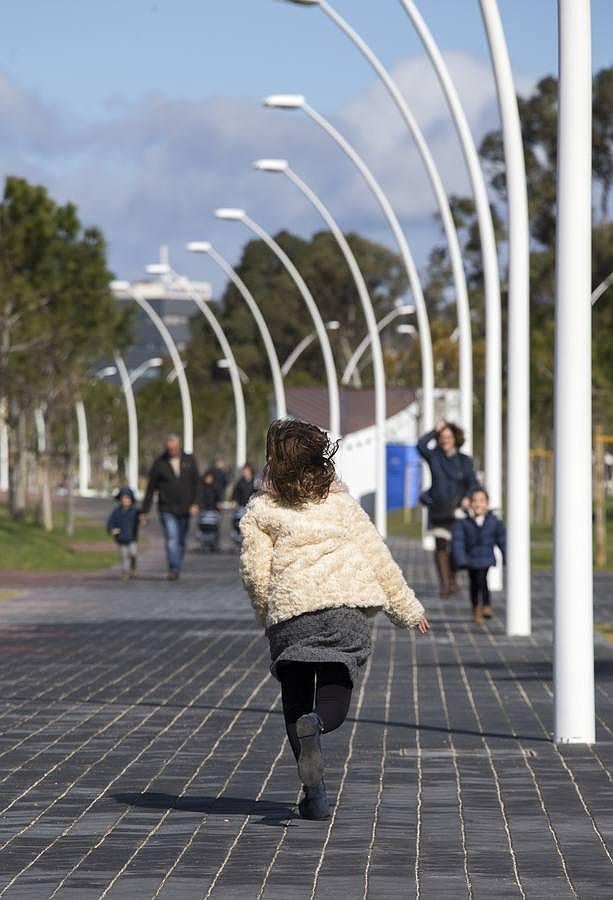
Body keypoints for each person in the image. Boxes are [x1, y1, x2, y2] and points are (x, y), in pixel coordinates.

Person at [240, 419, 429, 821]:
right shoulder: (340, 503)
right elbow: (377, 556)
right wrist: (408, 609)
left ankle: (314, 794)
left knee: (294, 700)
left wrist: (267, 616)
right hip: (345, 610)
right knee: (334, 689)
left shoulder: (261, 508)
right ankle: (319, 721)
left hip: (291, 614)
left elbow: (255, 571)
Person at [418, 420, 479, 598]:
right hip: (438, 507)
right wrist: (434, 430)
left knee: (455, 546)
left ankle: (452, 578)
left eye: (449, 437)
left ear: (455, 439)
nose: (445, 440)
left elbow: (472, 482)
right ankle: (445, 584)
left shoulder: (464, 461)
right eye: (442, 437)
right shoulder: (434, 456)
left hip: (458, 509)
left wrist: (468, 497)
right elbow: (420, 445)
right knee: (441, 545)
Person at [140, 434, 201, 580]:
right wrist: (144, 511)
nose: (171, 450)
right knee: (172, 538)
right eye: (169, 448)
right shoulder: (159, 463)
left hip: (185, 508)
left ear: (179, 446)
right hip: (166, 508)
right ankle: (173, 569)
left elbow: (197, 484)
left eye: (174, 448)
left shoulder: (189, 460)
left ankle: (177, 564)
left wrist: (196, 503)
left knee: (180, 540)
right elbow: (150, 488)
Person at [451, 488, 506, 624]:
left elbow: (502, 539)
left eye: (482, 501)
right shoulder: (464, 522)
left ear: (487, 504)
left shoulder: (493, 522)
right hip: (470, 559)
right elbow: (458, 541)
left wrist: (507, 555)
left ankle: (486, 605)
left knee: (482, 580)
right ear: (470, 503)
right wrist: (460, 559)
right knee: (474, 583)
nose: (478, 504)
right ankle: (476, 608)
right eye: (475, 501)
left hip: (486, 557)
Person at [106, 486, 140, 580]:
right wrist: (112, 529)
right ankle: (125, 572)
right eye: (123, 498)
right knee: (124, 555)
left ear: (131, 499)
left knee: (133, 553)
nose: (126, 501)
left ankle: (133, 567)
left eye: (128, 498)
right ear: (120, 500)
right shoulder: (116, 512)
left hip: (132, 538)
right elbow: (110, 522)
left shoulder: (135, 511)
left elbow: (141, 519)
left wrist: (143, 520)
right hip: (121, 539)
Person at [231, 464, 257, 546]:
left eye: (247, 471)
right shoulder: (240, 482)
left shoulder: (254, 482)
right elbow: (235, 492)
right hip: (241, 506)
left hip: (251, 507)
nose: (245, 472)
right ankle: (238, 538)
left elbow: (256, 493)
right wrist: (234, 501)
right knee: (238, 521)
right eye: (244, 471)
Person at [198, 468, 223, 552]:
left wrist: (218, 504)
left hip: (213, 510)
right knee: (203, 527)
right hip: (204, 511)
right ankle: (204, 542)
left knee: (214, 527)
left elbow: (218, 498)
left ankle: (213, 543)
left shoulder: (215, 488)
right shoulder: (202, 488)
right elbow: (199, 498)